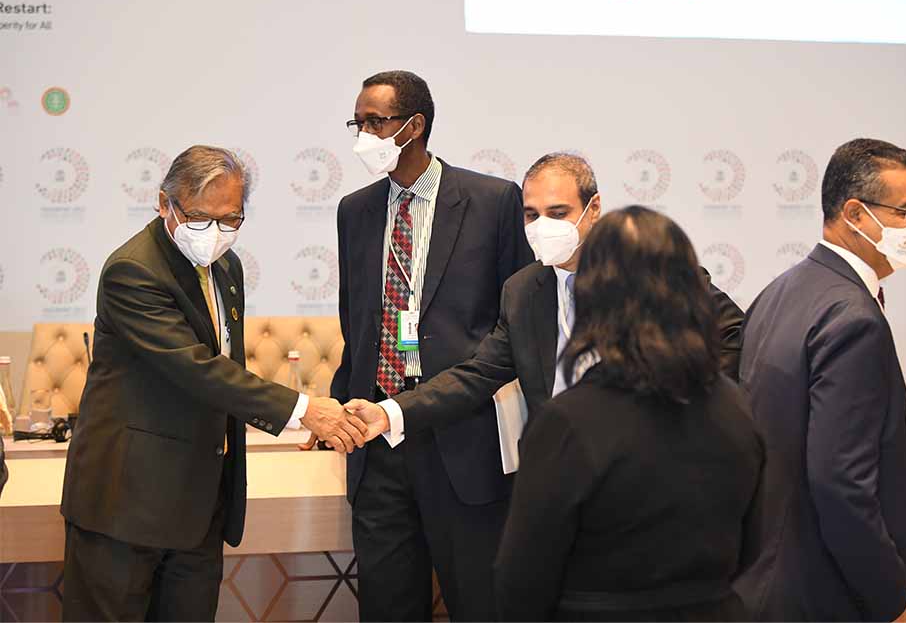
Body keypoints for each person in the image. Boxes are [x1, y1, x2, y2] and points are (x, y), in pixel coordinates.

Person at [60, 145, 366, 621]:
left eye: (231, 219)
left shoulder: (226, 266)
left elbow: (227, 365)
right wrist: (305, 410)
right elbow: (198, 369)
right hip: (126, 503)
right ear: (164, 203)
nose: (216, 232)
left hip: (199, 504)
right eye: (200, 218)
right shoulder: (133, 270)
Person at [313, 70, 534, 621]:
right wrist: (336, 411)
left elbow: (517, 321)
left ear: (414, 126)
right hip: (377, 442)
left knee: (480, 604)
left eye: (375, 122)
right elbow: (357, 324)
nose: (363, 135)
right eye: (357, 123)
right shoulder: (355, 210)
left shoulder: (491, 201)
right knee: (387, 607)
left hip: (461, 436)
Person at [345, 152, 744, 445]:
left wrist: (688, 414)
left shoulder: (648, 268)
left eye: (558, 212)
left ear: (593, 209)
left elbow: (732, 334)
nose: (542, 226)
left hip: (645, 459)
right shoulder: (523, 292)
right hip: (563, 463)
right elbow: (476, 374)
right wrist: (389, 412)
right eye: (532, 215)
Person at [493, 206, 764, 621]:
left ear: (592, 295)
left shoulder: (566, 423)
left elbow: (521, 581)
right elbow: (754, 545)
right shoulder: (735, 406)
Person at [734, 138, 906, 622]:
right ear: (855, 214)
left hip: (766, 577)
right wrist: (889, 596)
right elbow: (841, 483)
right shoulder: (853, 318)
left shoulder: (780, 290)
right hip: (821, 590)